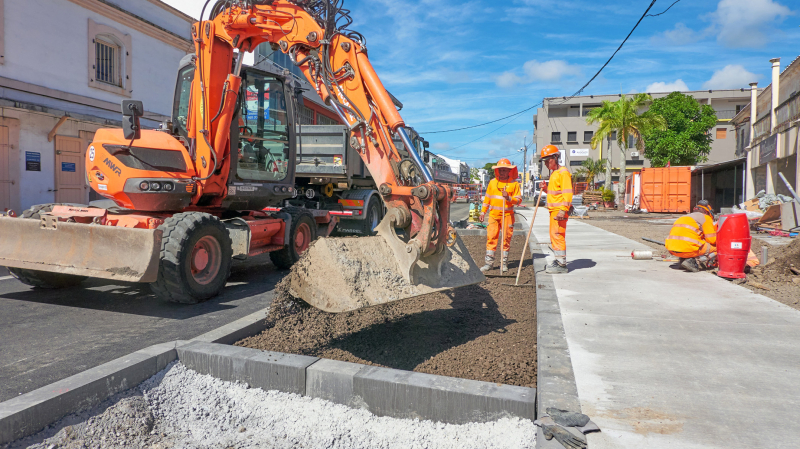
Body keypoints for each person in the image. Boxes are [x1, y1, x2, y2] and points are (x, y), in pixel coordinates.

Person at [479, 158, 522, 273]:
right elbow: (487, 198)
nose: (502, 172)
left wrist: (508, 198)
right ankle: (489, 264)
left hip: (508, 215)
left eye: (505, 170)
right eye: (500, 170)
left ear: (509, 171)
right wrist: (483, 211)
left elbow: (518, 200)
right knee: (491, 238)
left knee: (506, 239)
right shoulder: (492, 183)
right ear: (497, 171)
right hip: (493, 215)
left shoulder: (514, 184)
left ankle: (504, 263)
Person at [541, 145, 572, 274]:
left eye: (549, 160)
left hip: (559, 211)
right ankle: (559, 260)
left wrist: (563, 210)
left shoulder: (563, 173)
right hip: (554, 211)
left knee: (558, 235)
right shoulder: (554, 174)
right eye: (545, 162)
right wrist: (546, 190)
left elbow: (567, 193)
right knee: (554, 235)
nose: (547, 164)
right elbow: (557, 193)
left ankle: (561, 264)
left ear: (556, 157)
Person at [665, 200, 717, 272]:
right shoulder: (706, 218)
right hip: (688, 249)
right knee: (718, 248)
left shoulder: (684, 217)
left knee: (695, 243)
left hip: (672, 249)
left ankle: (683, 260)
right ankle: (694, 261)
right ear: (708, 211)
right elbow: (712, 240)